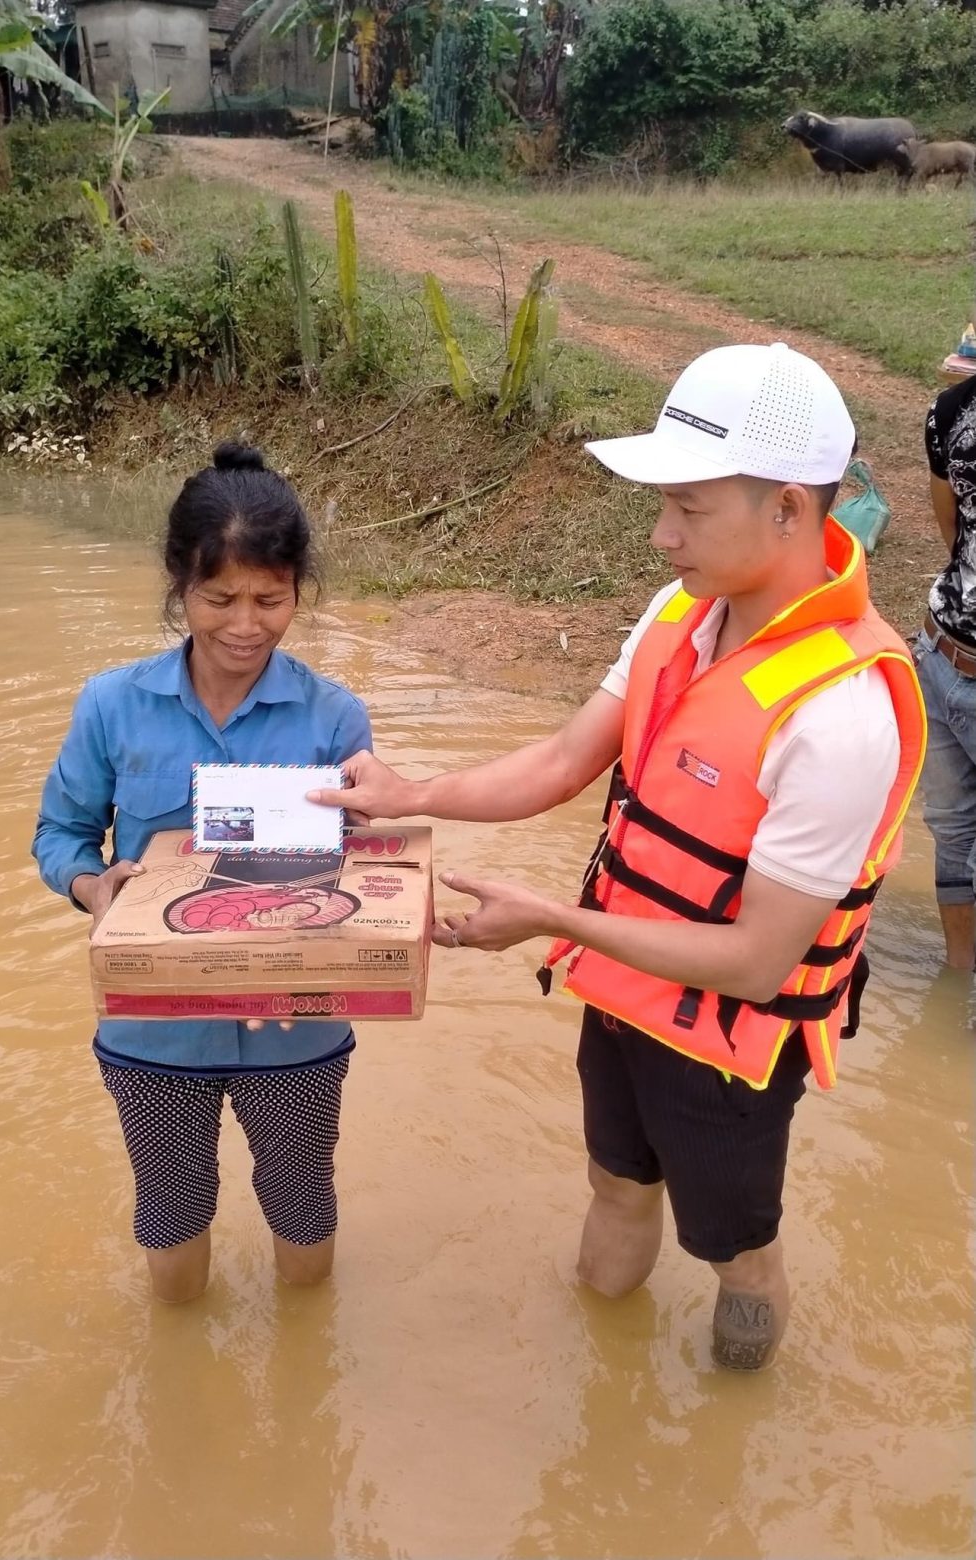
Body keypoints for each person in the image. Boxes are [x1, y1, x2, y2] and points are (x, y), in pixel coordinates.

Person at [312, 344, 926, 1370]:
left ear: (786, 509)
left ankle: (732, 1419)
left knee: (737, 1250)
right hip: (624, 994)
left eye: (688, 508)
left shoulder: (845, 715)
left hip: (730, 1047)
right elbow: (561, 761)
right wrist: (409, 793)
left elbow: (755, 963)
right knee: (615, 1185)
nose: (660, 535)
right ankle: (598, 1375)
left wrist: (551, 920)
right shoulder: (680, 614)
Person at [33, 444, 372, 1302]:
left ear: (299, 588)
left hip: (296, 1030)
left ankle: (303, 1371)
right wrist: (93, 886)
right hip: (153, 1034)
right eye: (219, 599)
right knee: (171, 1215)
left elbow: (366, 872)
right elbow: (61, 833)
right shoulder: (112, 705)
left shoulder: (335, 717)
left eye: (271, 599)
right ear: (180, 585)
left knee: (303, 1210)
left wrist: (374, 850)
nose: (245, 625)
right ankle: (183, 1395)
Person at [920, 369, 976, 969]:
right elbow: (953, 537)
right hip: (941, 654)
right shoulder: (952, 411)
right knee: (952, 831)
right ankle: (958, 979)